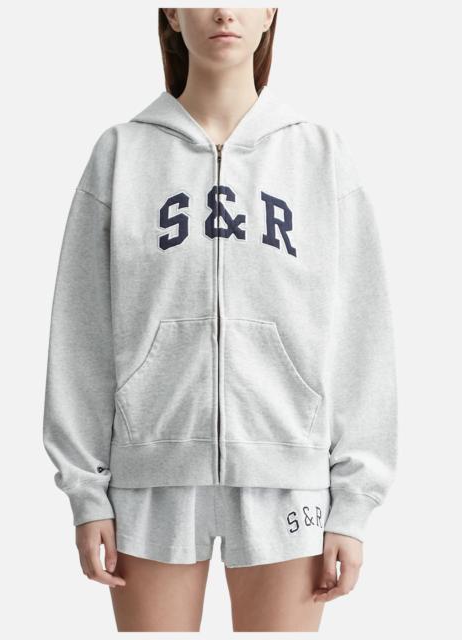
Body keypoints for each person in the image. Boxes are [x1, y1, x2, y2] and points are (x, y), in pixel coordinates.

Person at [42, 7, 398, 632]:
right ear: (171, 13)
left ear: (271, 13)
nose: (224, 11)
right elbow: (80, 333)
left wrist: (354, 503)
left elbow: (362, 338)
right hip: (150, 479)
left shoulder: (318, 156)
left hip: (288, 478)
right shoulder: (122, 154)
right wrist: (86, 492)